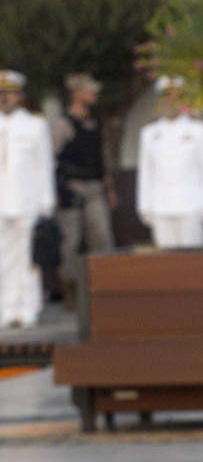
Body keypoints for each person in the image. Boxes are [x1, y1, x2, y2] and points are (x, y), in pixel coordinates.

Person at [51, 72, 116, 299]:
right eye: (90, 90)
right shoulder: (62, 124)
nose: (94, 95)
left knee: (102, 236)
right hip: (71, 187)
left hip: (95, 187)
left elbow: (103, 158)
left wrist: (110, 188)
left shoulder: (96, 123)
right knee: (70, 240)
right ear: (77, 93)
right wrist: (57, 190)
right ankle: (70, 288)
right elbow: (51, 158)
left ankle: (106, 284)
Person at [135, 77, 203, 249]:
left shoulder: (199, 130)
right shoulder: (149, 133)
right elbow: (146, 172)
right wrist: (145, 207)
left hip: (192, 206)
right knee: (166, 266)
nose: (170, 102)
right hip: (160, 206)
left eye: (175, 97)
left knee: (194, 263)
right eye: (166, 97)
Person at [0, 70, 56, 328]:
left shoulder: (35, 125)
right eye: (1, 94)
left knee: (28, 258)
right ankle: (6, 308)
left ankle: (28, 307)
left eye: (9, 94)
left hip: (26, 201)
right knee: (3, 258)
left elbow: (44, 165)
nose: (4, 98)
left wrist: (47, 202)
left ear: (20, 97)